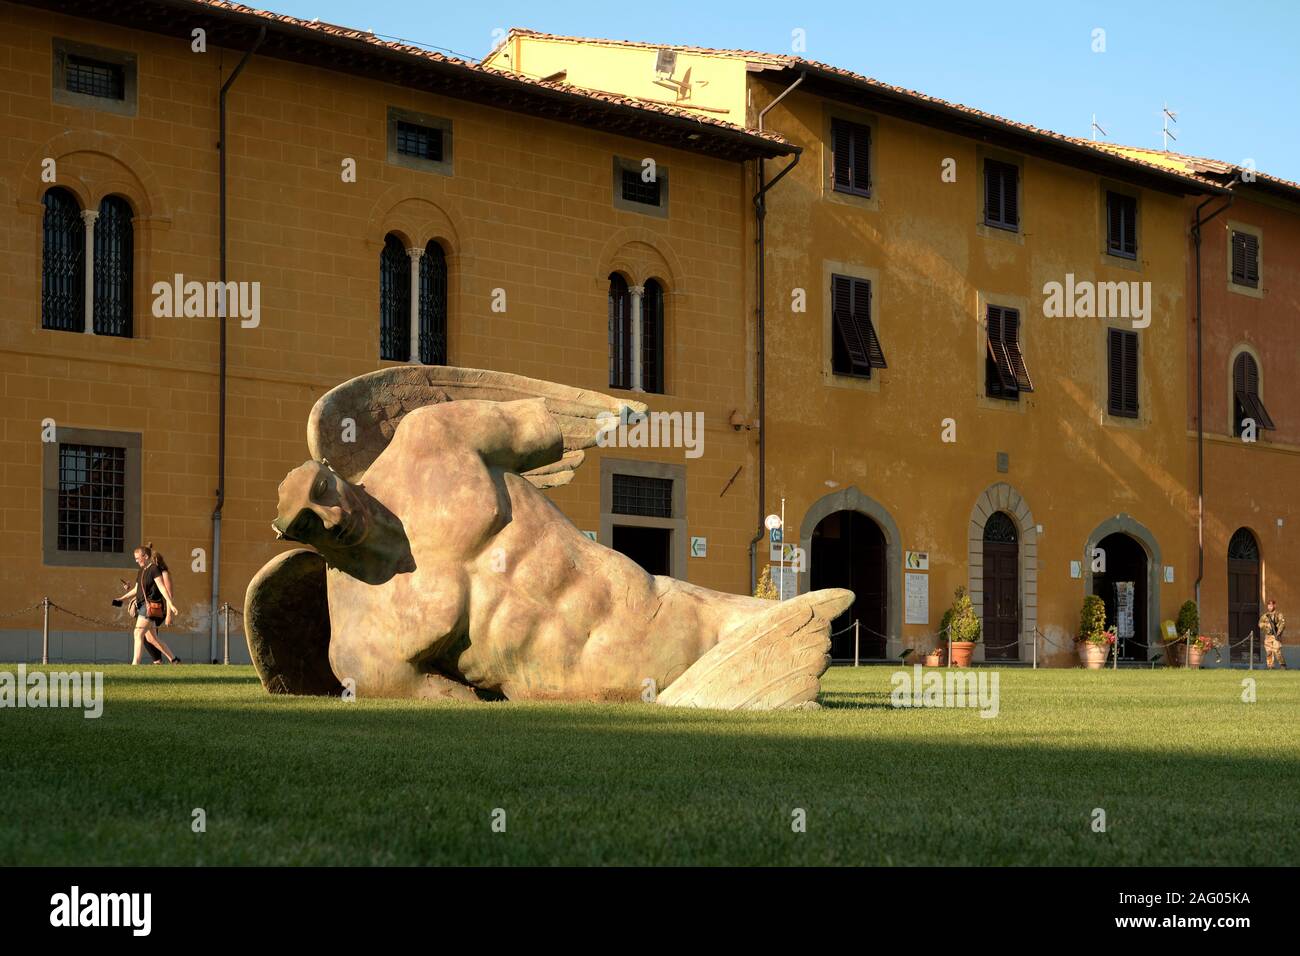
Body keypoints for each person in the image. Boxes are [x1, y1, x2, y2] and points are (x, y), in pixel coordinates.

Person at [117, 543, 181, 665]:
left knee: (137, 632)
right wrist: (122, 598)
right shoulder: (141, 570)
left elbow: (163, 588)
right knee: (152, 638)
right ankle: (174, 660)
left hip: (150, 606)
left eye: (137, 558)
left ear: (145, 556)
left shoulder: (154, 569)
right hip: (141, 605)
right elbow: (137, 589)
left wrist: (171, 605)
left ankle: (135, 664)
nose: (136, 561)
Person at [1260, 598, 1287, 670]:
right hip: (1268, 636)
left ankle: (1283, 665)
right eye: (1269, 605)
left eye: (1271, 605)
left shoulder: (1278, 614)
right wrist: (1266, 625)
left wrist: (1278, 633)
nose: (1270, 607)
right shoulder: (1265, 616)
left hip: (1276, 635)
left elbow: (1282, 624)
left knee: (1277, 651)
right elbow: (1260, 624)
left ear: (1274, 606)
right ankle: (1270, 666)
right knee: (1268, 652)